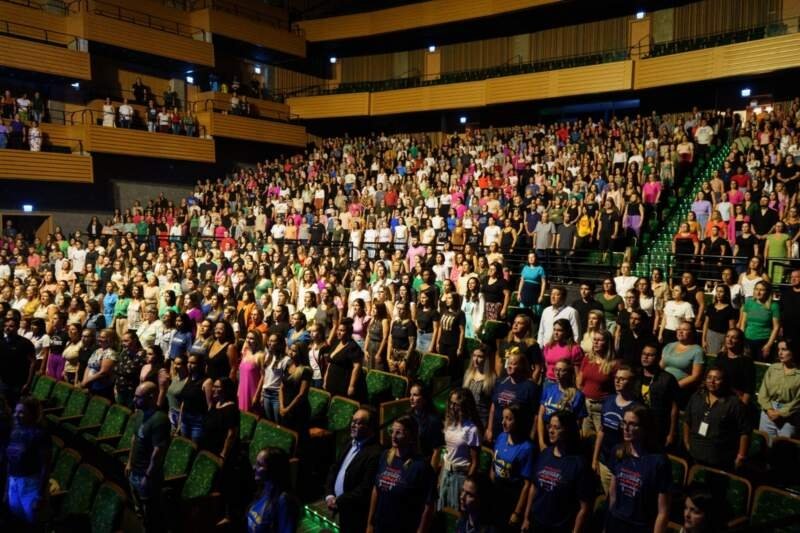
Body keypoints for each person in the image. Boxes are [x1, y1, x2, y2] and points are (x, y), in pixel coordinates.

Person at [522, 410, 593, 533]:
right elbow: (534, 488)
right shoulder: (544, 454)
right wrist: (526, 518)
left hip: (559, 527)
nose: (550, 430)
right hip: (536, 522)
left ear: (567, 430)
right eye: (550, 426)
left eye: (557, 428)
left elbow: (584, 507)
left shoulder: (579, 464)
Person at [606, 405, 671, 533]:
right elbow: (612, 495)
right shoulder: (618, 452)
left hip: (641, 526)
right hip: (616, 523)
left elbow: (663, 512)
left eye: (632, 424)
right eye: (624, 423)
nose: (626, 428)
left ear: (645, 428)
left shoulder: (659, 462)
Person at [367, 416, 436, 533]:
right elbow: (376, 490)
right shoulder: (385, 456)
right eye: (392, 431)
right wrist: (370, 523)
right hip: (380, 526)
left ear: (411, 437)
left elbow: (428, 505)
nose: (393, 436)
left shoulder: (421, 466)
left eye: (399, 432)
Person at [325, 408, 382, 533]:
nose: (352, 425)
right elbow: (334, 468)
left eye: (358, 422)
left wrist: (339, 501)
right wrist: (329, 494)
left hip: (357, 513)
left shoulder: (375, 453)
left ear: (370, 427)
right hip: (342, 508)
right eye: (352, 421)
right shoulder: (349, 442)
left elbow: (365, 489)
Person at [683, 367, 750, 471]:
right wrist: (687, 442)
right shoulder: (697, 396)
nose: (712, 381)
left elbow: (744, 431)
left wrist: (741, 456)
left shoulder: (734, 403)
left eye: (717, 379)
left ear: (724, 381)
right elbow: (687, 420)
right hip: (695, 453)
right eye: (709, 378)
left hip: (720, 457)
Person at [126, 382, 169, 533]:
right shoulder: (140, 414)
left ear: (151, 397)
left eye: (138, 397)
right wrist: (129, 463)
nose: (134, 400)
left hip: (148, 476)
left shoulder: (160, 420)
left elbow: (158, 452)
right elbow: (134, 438)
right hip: (135, 471)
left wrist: (147, 476)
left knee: (151, 514)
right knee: (138, 510)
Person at [593, 364, 640, 494]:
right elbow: (601, 431)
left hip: (623, 463)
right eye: (616, 378)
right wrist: (595, 459)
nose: (617, 381)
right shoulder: (608, 400)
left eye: (622, 379)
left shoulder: (636, 408)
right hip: (604, 460)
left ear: (632, 382)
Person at [5, 397, 50, 527]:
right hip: (14, 482)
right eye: (15, 412)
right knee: (19, 522)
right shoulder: (15, 431)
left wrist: (40, 496)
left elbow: (45, 466)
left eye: (21, 412)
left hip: (31, 484)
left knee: (33, 523)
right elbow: (10, 461)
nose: (16, 415)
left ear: (33, 415)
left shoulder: (40, 435)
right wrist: (7, 488)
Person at [490, 403, 534, 532]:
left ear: (519, 421)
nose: (504, 422)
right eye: (503, 418)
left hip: (511, 496)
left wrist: (517, 512)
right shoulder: (501, 437)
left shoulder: (527, 448)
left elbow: (527, 484)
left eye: (509, 419)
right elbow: (494, 463)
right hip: (496, 491)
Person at [437, 388, 481, 511]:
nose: (452, 407)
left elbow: (475, 462)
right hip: (446, 472)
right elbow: (447, 451)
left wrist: (466, 486)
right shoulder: (449, 423)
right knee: (442, 509)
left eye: (456, 404)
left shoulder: (471, 429)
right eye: (451, 403)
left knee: (457, 511)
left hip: (460, 476)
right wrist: (440, 476)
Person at [486, 350, 540, 443]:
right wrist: (489, 429)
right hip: (498, 432)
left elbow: (536, 415)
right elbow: (493, 407)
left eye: (514, 364)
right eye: (508, 363)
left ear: (522, 366)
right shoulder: (500, 382)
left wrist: (532, 436)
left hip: (519, 436)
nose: (509, 366)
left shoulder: (530, 387)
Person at [636, 342, 679, 449]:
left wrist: (671, 433)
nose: (645, 357)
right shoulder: (635, 374)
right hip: (637, 425)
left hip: (658, 427)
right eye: (643, 354)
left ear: (659, 358)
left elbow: (674, 408)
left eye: (650, 355)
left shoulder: (667, 379)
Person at [537, 359, 586, 449]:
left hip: (564, 441)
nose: (557, 373)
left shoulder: (577, 395)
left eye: (562, 370)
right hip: (546, 436)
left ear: (569, 373)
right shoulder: (548, 390)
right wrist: (541, 440)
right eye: (556, 369)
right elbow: (540, 416)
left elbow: (577, 425)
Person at [757, 338, 800, 440]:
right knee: (765, 446)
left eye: (784, 349)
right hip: (768, 412)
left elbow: (798, 401)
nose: (780, 353)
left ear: (793, 351)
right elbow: (763, 392)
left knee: (784, 450)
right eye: (778, 349)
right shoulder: (773, 368)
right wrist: (769, 410)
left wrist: (781, 413)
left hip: (789, 416)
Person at [247, 448, 298, 533]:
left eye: (260, 465)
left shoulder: (284, 500)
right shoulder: (264, 489)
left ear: (273, 469)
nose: (254, 467)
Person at [661, 321, 704, 408]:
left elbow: (696, 376)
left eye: (684, 329)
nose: (680, 332)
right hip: (663, 384)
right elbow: (661, 366)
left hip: (681, 388)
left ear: (692, 333)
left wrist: (675, 386)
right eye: (679, 329)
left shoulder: (697, 350)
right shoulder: (669, 346)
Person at [324, 318, 366, 403]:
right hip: (332, 381)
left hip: (343, 383)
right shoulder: (336, 342)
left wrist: (351, 386)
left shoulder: (353, 347)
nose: (338, 332)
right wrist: (325, 378)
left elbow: (356, 367)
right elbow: (330, 362)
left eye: (342, 330)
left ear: (349, 333)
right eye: (338, 330)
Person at [739, 280, 780, 361]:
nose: (758, 292)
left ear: (768, 292)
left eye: (762, 290)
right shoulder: (749, 303)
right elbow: (743, 324)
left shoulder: (774, 306)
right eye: (756, 289)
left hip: (764, 341)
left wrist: (769, 345)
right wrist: (741, 341)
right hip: (747, 340)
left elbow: (776, 327)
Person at [0, 315, 36, 406]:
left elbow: (33, 363)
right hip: (3, 382)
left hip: (18, 384)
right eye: (6, 326)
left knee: (15, 409)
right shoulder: (2, 342)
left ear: (17, 327)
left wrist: (28, 383)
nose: (7, 328)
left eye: (11, 326)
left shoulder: (25, 343)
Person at [713, 328, 755, 405]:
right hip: (717, 396)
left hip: (735, 400)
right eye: (728, 336)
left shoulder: (746, 361)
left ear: (740, 341)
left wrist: (743, 406)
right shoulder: (720, 356)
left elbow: (749, 388)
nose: (729, 340)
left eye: (734, 337)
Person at [177, 353, 212, 443]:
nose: (189, 365)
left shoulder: (206, 382)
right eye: (188, 362)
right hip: (185, 418)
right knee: (185, 444)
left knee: (194, 446)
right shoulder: (189, 378)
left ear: (200, 365)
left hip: (197, 421)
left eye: (193, 363)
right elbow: (184, 402)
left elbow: (210, 406)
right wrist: (180, 422)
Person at [409, 381, 444, 463]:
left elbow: (437, 450)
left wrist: (431, 473)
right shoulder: (409, 415)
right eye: (410, 394)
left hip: (424, 461)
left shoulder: (433, 420)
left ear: (424, 399)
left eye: (415, 395)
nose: (411, 398)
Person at [542, 318, 584, 382]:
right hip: (549, 381)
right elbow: (546, 365)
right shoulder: (549, 346)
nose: (556, 333)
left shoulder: (574, 348)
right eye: (554, 330)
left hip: (566, 383)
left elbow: (577, 373)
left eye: (559, 330)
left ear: (567, 332)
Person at [81, 328, 118, 401]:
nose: (99, 339)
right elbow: (89, 366)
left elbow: (103, 372)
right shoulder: (98, 350)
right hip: (91, 386)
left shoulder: (111, 353)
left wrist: (86, 381)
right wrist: (84, 380)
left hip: (102, 389)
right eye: (99, 337)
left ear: (110, 339)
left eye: (103, 337)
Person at [701, 285, 737, 355]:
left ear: (726, 293)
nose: (718, 293)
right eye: (717, 291)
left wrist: (725, 345)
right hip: (709, 336)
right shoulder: (711, 306)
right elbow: (706, 324)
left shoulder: (730, 310)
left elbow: (731, 329)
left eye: (721, 291)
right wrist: (703, 340)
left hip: (722, 337)